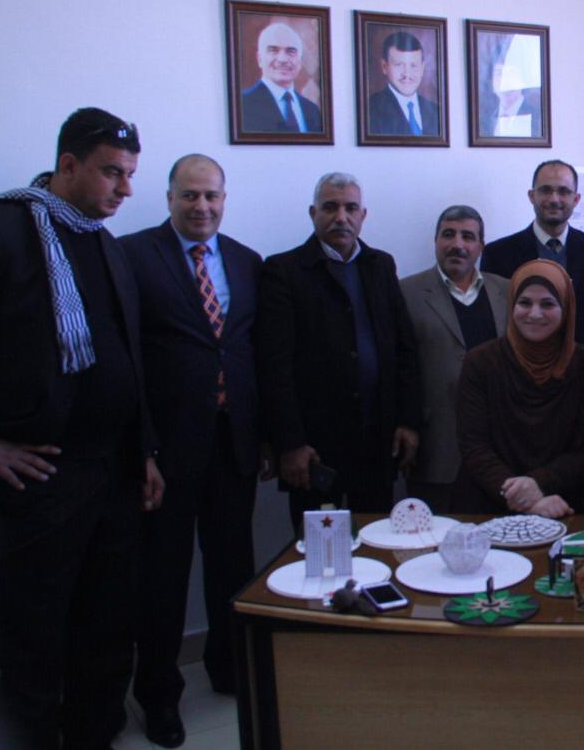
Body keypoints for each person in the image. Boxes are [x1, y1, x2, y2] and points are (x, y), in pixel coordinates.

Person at [0, 107, 163, 748]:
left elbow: (129, 359)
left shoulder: (105, 242)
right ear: (68, 165)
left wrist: (145, 451)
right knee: (35, 631)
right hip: (40, 478)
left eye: (131, 174)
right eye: (112, 173)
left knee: (108, 623)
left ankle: (96, 734)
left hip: (113, 473)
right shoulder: (5, 230)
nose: (126, 189)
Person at [120, 154, 264, 746]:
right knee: (163, 577)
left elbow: (251, 350)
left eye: (211, 196)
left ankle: (227, 669)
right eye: (190, 195)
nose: (201, 206)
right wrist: (142, 449)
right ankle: (158, 695)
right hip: (168, 452)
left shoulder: (247, 261)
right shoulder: (132, 256)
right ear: (169, 198)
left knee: (233, 569)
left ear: (224, 199)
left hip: (233, 445)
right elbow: (127, 359)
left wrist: (264, 438)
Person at [257, 172, 420, 524]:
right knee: (317, 547)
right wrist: (289, 443)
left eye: (350, 208)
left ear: (363, 215)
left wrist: (407, 421)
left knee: (376, 538)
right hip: (314, 447)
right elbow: (274, 366)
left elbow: (404, 350)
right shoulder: (284, 270)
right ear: (313, 213)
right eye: (330, 207)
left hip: (377, 440)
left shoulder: (380, 265)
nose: (341, 217)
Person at [455, 260, 584, 516]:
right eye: (525, 303)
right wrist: (522, 497)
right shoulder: (480, 362)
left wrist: (538, 484)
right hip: (490, 504)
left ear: (566, 308)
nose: (535, 314)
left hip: (562, 505)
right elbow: (474, 445)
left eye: (548, 304)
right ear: (511, 305)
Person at [399, 205, 509, 513]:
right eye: (448, 234)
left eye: (467, 236)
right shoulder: (405, 292)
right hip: (435, 446)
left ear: (481, 246)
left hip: (499, 448)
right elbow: (398, 366)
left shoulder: (508, 290)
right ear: (435, 241)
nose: (457, 244)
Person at [481, 159, 584, 363]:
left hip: (582, 370)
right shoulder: (498, 254)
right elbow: (494, 322)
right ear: (531, 196)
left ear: (576, 199)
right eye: (545, 190)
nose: (554, 199)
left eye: (563, 191)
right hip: (517, 369)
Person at [239, 21, 324, 134]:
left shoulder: (312, 111)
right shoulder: (242, 105)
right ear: (259, 59)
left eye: (291, 51)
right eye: (273, 50)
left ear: (300, 61)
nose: (282, 59)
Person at [367, 31, 440, 137]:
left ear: (422, 68)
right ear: (384, 66)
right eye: (399, 65)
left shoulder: (436, 111)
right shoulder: (370, 110)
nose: (407, 74)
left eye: (413, 65)